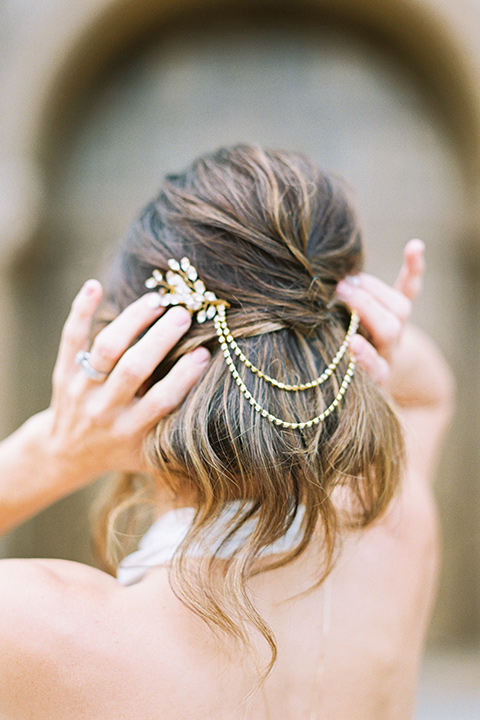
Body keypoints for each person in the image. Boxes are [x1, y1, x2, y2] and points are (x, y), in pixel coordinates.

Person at [0, 146, 454, 719]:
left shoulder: (42, 631)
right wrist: (338, 331)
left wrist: (54, 452)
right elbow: (429, 387)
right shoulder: (397, 529)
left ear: (134, 363)